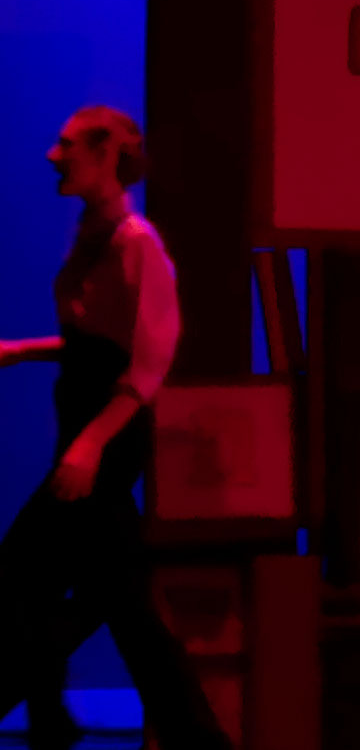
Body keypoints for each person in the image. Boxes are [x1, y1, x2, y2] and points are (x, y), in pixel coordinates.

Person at [0, 106, 230, 750]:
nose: (54, 156)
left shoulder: (137, 243)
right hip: (83, 425)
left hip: (105, 433)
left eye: (68, 145)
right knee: (108, 598)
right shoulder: (95, 234)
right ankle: (68, 722)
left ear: (105, 156)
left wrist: (92, 444)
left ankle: (57, 721)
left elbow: (149, 360)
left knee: (31, 576)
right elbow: (95, 341)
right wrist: (23, 351)